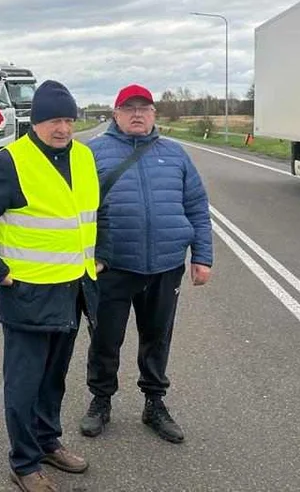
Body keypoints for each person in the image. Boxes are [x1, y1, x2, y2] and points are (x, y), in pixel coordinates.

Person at [0, 80, 100, 492]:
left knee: (54, 377)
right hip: (26, 293)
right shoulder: (11, 162)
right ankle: (24, 462)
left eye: (69, 120)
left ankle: (47, 441)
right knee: (24, 382)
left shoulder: (84, 158)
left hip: (72, 288)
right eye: (55, 120)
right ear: (36, 121)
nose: (63, 128)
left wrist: (97, 258)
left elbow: (90, 214)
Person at [79, 83, 212, 444]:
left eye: (145, 108)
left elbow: (197, 207)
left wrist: (202, 256)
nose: (137, 114)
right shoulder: (92, 154)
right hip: (113, 267)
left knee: (157, 338)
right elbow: (76, 212)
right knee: (105, 338)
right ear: (116, 114)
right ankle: (101, 400)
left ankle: (154, 403)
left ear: (154, 114)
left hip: (165, 265)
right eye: (129, 108)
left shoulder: (175, 154)